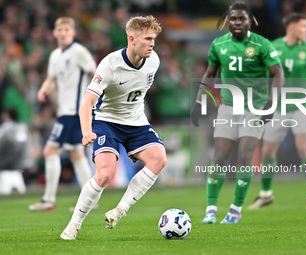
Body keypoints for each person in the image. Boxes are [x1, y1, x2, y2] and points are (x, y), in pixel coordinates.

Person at [60, 15, 166, 240]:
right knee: (105, 174)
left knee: (159, 159)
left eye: (154, 39)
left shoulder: (154, 61)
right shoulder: (109, 64)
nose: (152, 44)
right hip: (106, 121)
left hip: (135, 121)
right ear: (131, 39)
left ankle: (119, 210)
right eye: (147, 39)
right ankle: (74, 225)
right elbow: (87, 102)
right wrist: (87, 131)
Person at [191, 1, 284, 224]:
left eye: (242, 18)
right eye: (233, 18)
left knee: (244, 157)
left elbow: (278, 74)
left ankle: (235, 209)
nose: (237, 22)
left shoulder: (262, 45)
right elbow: (209, 73)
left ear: (250, 21)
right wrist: (198, 102)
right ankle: (211, 209)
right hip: (228, 108)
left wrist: (272, 103)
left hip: (255, 109)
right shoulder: (218, 44)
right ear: (228, 21)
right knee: (220, 157)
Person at [249, 13, 306, 210]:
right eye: (304, 26)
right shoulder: (274, 48)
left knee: (303, 147)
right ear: (292, 28)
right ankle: (265, 195)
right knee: (267, 152)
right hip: (278, 108)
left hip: (301, 107)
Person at [29, 17, 97, 211]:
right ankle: (90, 201)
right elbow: (51, 78)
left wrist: (96, 97)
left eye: (67, 29)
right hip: (65, 111)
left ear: (73, 32)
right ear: (55, 33)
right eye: (60, 29)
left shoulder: (80, 52)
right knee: (76, 154)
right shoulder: (55, 56)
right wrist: (43, 89)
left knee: (50, 151)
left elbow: (95, 73)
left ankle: (48, 200)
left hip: (74, 112)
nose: (63, 33)